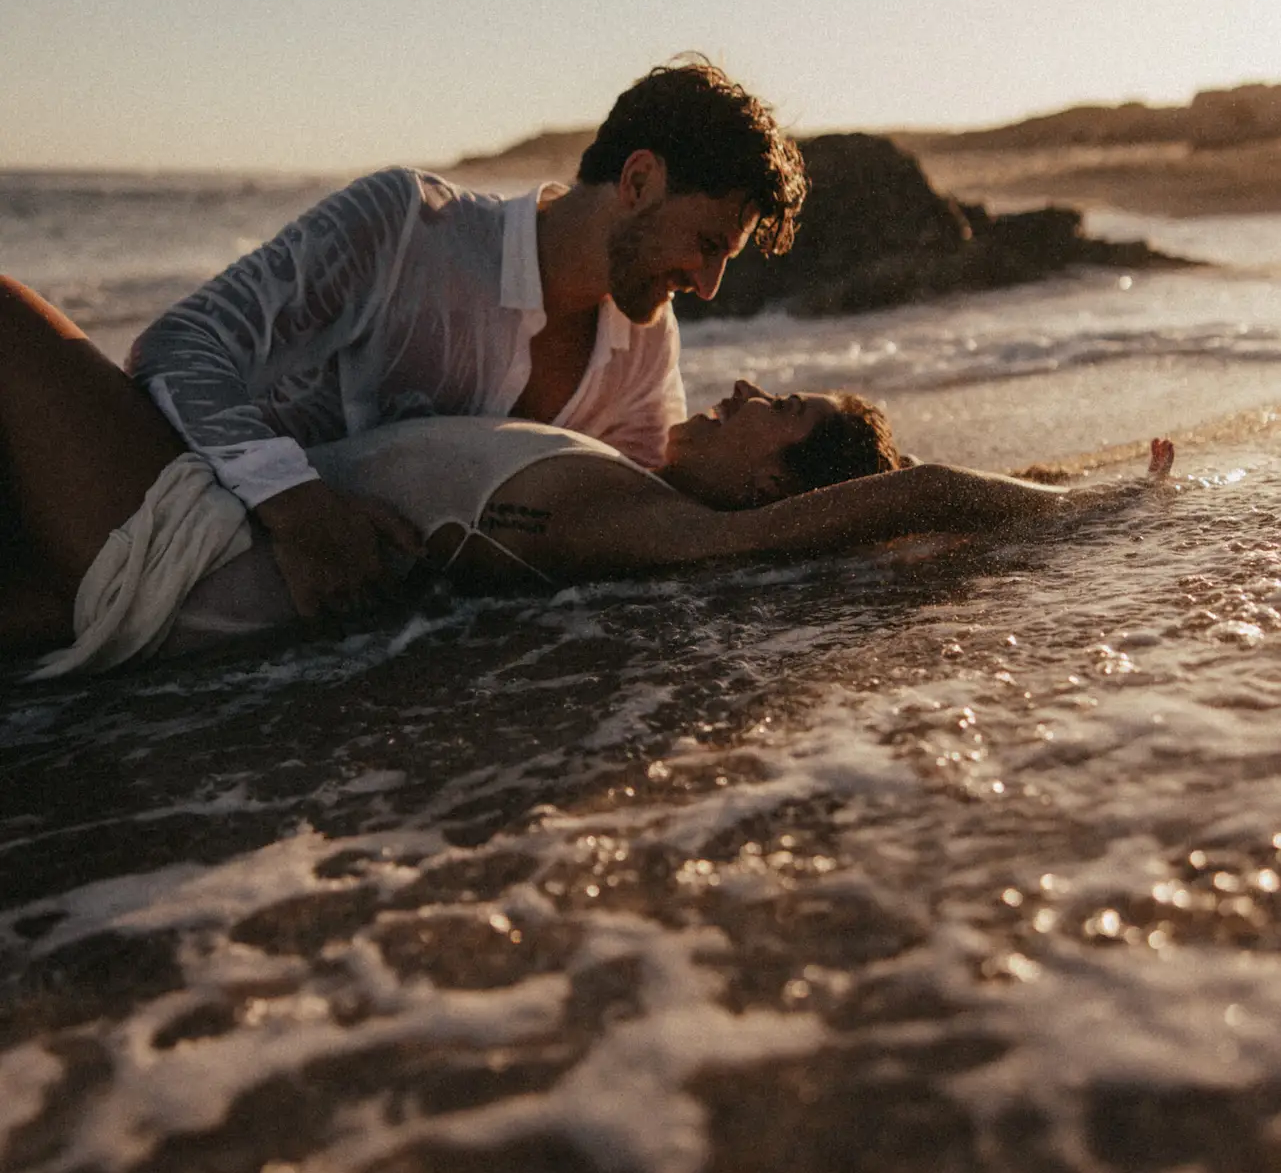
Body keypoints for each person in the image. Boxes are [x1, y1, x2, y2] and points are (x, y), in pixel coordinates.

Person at [0, 276, 1173, 677]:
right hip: (187, 532)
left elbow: (918, 492)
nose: (750, 391)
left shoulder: (645, 525)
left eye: (784, 414)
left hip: (188, 544)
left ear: (778, 495)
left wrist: (1100, 513)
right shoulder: (622, 480)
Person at [126, 60, 808, 624]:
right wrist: (301, 510)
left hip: (270, 638)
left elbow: (624, 521)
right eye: (707, 245)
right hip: (134, 514)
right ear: (636, 182)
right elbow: (180, 344)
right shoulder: (407, 228)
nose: (711, 284)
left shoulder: (644, 347)